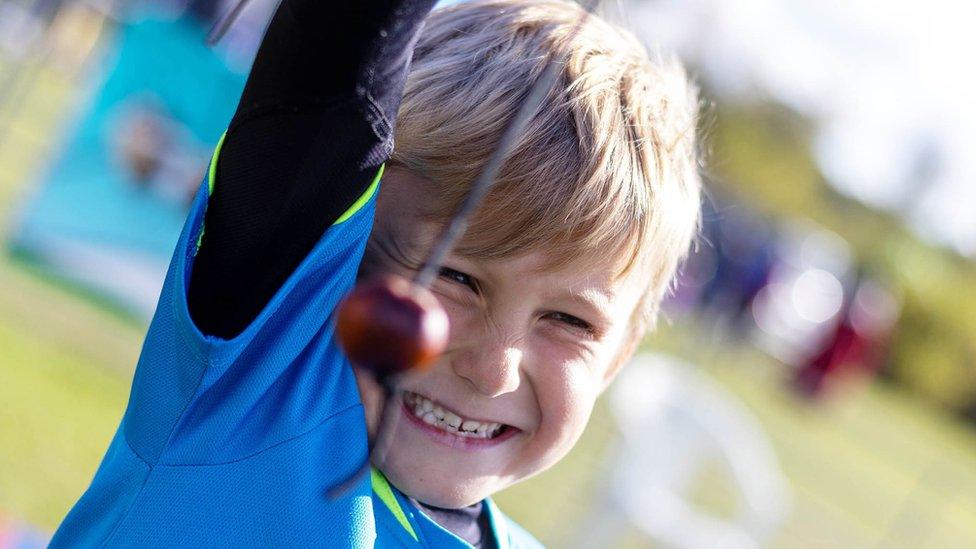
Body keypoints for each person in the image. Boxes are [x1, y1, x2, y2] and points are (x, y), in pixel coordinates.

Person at [50, 0, 701, 546]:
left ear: (618, 354)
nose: (493, 368)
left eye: (569, 319)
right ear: (335, 257)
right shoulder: (255, 389)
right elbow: (335, 56)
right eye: (456, 279)